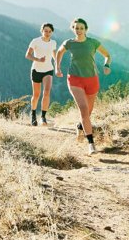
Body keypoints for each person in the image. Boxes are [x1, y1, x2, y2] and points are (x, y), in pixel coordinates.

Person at [55, 18, 111, 155]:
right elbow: (59, 52)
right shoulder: (69, 43)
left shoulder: (93, 43)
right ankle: (91, 144)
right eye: (76, 28)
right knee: (84, 109)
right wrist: (57, 68)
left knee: (88, 113)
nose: (79, 30)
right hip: (75, 79)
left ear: (86, 29)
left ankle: (80, 126)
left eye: (81, 28)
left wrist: (106, 65)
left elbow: (107, 55)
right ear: (73, 29)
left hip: (92, 79)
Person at [24, 23, 57, 126]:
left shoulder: (53, 43)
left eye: (49, 31)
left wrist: (57, 65)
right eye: (45, 31)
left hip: (48, 70)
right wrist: (38, 59)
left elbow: (54, 54)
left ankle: (43, 117)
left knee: (46, 92)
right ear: (42, 31)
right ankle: (33, 114)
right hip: (36, 70)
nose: (47, 33)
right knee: (36, 94)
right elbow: (27, 55)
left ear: (52, 32)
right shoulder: (35, 41)